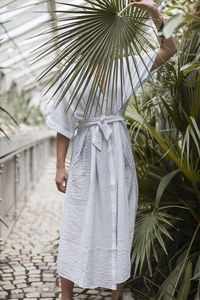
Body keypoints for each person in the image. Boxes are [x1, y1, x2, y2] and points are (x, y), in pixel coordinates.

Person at [46, 1, 177, 300]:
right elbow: (63, 123)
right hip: (86, 152)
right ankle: (67, 294)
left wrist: (155, 15)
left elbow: (169, 49)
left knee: (118, 216)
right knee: (77, 216)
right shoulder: (73, 73)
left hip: (117, 151)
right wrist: (59, 166)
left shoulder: (126, 66)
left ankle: (116, 293)